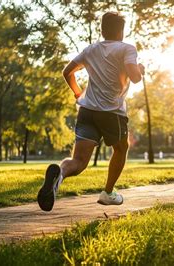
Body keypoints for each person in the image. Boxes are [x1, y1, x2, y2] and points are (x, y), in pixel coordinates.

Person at [37, 12, 145, 211]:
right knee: (121, 149)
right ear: (121, 31)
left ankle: (58, 175)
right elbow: (135, 77)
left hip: (87, 111)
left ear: (102, 30)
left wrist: (79, 93)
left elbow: (67, 72)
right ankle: (108, 193)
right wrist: (140, 68)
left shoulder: (90, 50)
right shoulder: (127, 49)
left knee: (78, 161)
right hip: (112, 113)